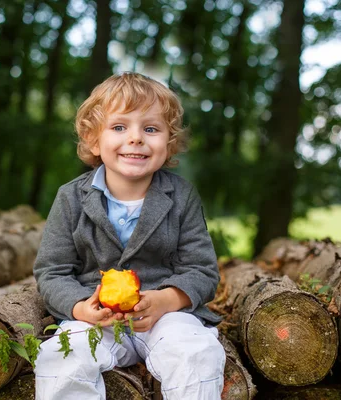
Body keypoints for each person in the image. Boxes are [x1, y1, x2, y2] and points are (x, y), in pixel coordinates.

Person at [33, 72, 226, 400]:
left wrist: (166, 300)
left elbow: (203, 270)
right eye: (119, 127)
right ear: (94, 140)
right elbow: (52, 272)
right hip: (96, 320)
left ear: (169, 142)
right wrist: (81, 308)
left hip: (166, 318)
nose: (136, 138)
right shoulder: (71, 198)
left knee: (197, 352)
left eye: (150, 129)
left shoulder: (181, 196)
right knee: (62, 357)